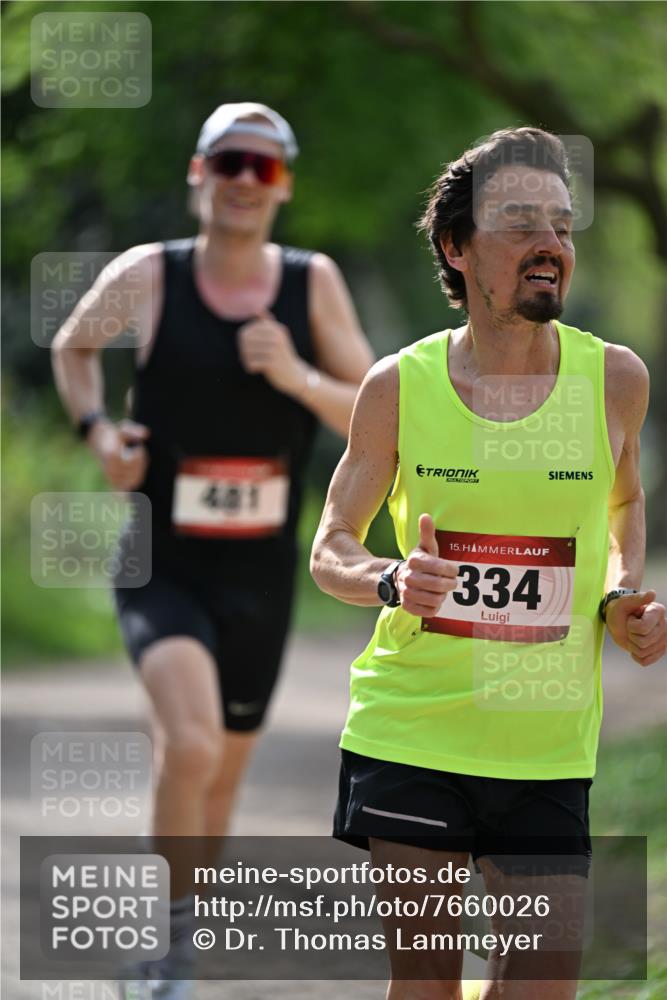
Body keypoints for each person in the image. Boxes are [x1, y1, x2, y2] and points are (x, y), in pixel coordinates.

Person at [310, 127, 667, 1000]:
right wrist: (390, 579)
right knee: (427, 984)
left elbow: (622, 504)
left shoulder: (614, 380)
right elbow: (331, 546)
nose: (549, 244)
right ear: (456, 248)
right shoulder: (398, 386)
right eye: (519, 224)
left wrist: (619, 592)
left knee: (542, 985)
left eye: (561, 226)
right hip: (412, 731)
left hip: (546, 744)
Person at [51, 101, 374, 997]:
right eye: (228, 161)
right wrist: (98, 431)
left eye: (261, 167)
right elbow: (74, 348)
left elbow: (373, 410)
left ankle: (178, 933)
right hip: (163, 560)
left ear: (283, 186)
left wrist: (294, 374)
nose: (243, 180)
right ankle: (156, 950)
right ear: (199, 173)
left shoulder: (311, 285)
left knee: (222, 773)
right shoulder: (150, 274)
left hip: (260, 573)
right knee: (189, 746)